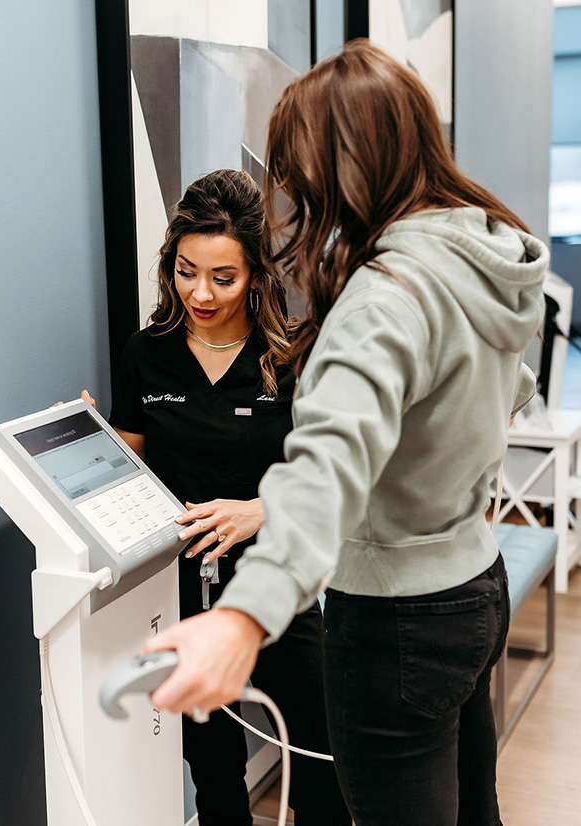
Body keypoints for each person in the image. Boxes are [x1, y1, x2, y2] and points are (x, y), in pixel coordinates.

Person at [142, 40, 549, 826]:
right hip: (475, 585)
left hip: (400, 617)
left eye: (297, 171)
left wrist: (240, 616)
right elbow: (511, 388)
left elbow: (324, 470)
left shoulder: (384, 298)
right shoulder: (482, 249)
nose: (292, 193)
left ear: (342, 170)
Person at [108, 169, 350, 826]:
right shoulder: (145, 356)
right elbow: (127, 472)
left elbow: (330, 477)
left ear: (256, 276)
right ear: (171, 263)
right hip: (184, 598)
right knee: (214, 779)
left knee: (323, 774)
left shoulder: (290, 356)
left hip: (281, 594)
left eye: (224, 277)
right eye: (188, 271)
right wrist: (82, 439)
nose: (201, 293)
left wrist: (261, 511)